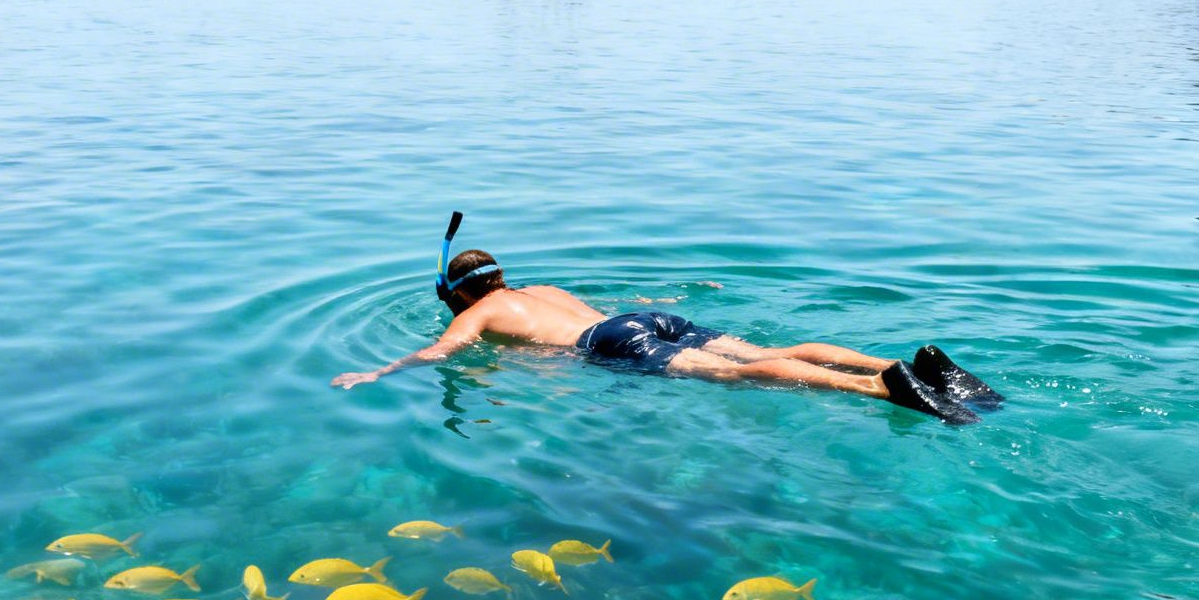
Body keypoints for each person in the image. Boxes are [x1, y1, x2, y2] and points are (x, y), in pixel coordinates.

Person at [331, 233, 1001, 422]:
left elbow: (442, 351)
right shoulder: (541, 288)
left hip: (609, 344)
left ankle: (884, 387)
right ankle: (905, 362)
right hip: (639, 318)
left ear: (458, 292)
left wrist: (380, 371)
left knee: (736, 378)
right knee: (768, 350)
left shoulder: (479, 312)